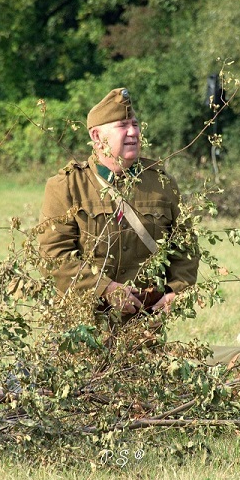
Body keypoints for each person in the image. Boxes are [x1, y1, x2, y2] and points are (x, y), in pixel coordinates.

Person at [38, 87, 199, 320]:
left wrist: (177, 289)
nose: (133, 132)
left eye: (135, 124)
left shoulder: (161, 183)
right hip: (85, 324)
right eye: (123, 126)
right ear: (96, 136)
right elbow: (53, 258)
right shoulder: (66, 186)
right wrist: (104, 288)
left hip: (144, 325)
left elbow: (186, 247)